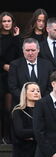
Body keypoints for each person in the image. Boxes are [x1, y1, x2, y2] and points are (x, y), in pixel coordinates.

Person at [8, 38, 53, 105]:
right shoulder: (15, 65)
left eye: (33, 50)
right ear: (23, 50)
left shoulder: (47, 65)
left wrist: (41, 100)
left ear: (38, 50)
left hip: (43, 104)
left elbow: (50, 86)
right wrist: (27, 99)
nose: (30, 53)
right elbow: (13, 87)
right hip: (21, 105)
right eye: (27, 50)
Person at [0, 11, 22, 143]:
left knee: (9, 108)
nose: (7, 23)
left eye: (9, 21)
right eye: (4, 21)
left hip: (11, 77)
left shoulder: (15, 38)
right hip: (1, 74)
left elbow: (20, 55)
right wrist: (3, 66)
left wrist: (16, 37)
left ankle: (8, 137)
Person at [11, 82, 41, 157]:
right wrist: (39, 133)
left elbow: (49, 131)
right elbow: (20, 132)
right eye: (32, 90)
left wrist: (32, 135)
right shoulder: (18, 111)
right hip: (23, 154)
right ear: (25, 93)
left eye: (38, 91)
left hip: (40, 153)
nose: (36, 92)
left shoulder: (44, 111)